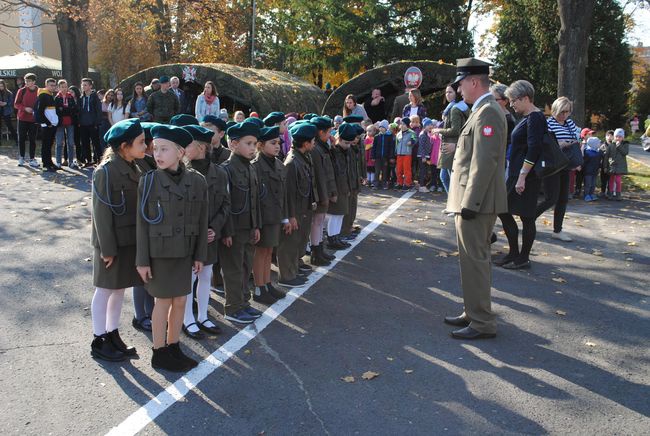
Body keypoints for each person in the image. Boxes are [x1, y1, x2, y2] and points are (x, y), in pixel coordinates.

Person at [136, 124, 208, 372]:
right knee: (163, 302)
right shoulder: (149, 181)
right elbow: (141, 225)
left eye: (164, 149)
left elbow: (201, 220)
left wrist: (200, 254)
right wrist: (142, 261)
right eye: (155, 148)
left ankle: (173, 345)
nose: (158, 154)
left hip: (185, 252)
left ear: (180, 152)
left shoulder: (197, 182)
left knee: (180, 301)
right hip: (161, 253)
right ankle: (159, 352)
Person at [444, 58, 507, 340]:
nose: (458, 90)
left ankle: (482, 322)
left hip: (475, 202)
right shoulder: (481, 110)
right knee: (470, 262)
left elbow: (485, 161)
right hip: (470, 200)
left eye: (460, 84)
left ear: (473, 81)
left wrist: (471, 202)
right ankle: (473, 312)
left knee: (476, 261)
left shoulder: (488, 112)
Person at [91, 118, 147, 362]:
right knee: (104, 291)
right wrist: (107, 249)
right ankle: (98, 339)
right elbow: (101, 215)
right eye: (141, 142)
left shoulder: (134, 166)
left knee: (118, 290)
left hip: (128, 241)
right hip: (111, 244)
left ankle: (113, 334)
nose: (146, 146)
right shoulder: (106, 171)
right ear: (125, 146)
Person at [181, 124, 229, 339]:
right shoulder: (182, 173)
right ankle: (187, 318)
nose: (183, 149)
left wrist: (214, 228)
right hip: (189, 237)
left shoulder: (219, 173)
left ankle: (202, 316)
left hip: (209, 236)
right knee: (189, 278)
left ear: (201, 147)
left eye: (188, 145)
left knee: (206, 275)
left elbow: (225, 204)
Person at [494, 80, 544, 272]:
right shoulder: (527, 117)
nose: (512, 104)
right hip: (518, 174)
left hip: (526, 177)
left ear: (525, 98)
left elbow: (534, 149)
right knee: (506, 211)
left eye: (514, 100)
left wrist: (522, 176)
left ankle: (522, 257)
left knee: (526, 217)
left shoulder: (535, 118)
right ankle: (515, 253)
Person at [219, 121, 263, 324]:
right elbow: (224, 204)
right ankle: (233, 307)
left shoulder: (250, 168)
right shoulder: (226, 170)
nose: (253, 148)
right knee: (233, 269)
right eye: (248, 143)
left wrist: (256, 226)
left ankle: (244, 302)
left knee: (246, 267)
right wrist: (226, 232)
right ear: (233, 144)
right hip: (234, 230)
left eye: (255, 143)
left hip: (247, 228)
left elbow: (254, 201)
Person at [277, 122, 318, 287]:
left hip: (302, 209)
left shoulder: (303, 158)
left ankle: (293, 271)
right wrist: (290, 216)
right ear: (306, 143)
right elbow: (287, 194)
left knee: (295, 243)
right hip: (295, 211)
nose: (314, 144)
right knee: (288, 245)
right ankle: (286, 276)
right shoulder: (292, 163)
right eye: (312, 141)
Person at [251, 126, 290, 301]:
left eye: (278, 143)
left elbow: (283, 194)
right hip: (262, 218)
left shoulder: (278, 164)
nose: (277, 146)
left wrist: (285, 218)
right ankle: (259, 288)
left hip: (274, 216)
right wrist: (256, 224)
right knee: (260, 253)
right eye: (272, 143)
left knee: (268, 252)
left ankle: (266, 284)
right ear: (260, 145)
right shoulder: (255, 166)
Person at [535, 97, 580, 242]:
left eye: (567, 111)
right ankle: (529, 218)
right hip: (552, 165)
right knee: (551, 199)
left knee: (563, 199)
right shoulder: (548, 124)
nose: (564, 115)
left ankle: (557, 230)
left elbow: (578, 137)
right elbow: (546, 144)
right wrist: (561, 144)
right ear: (555, 110)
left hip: (566, 165)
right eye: (562, 111)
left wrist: (573, 143)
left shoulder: (570, 124)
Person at [131, 122, 157, 332]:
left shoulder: (152, 162)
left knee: (150, 274)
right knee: (140, 276)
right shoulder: (140, 165)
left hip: (153, 225)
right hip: (139, 225)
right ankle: (140, 315)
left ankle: (150, 312)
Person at [309, 116, 337, 266]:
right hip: (320, 193)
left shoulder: (322, 146)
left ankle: (319, 249)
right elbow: (319, 175)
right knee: (317, 222)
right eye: (328, 132)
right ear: (321, 132)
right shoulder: (316, 149)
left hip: (324, 191)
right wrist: (324, 195)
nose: (330, 135)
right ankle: (315, 252)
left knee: (319, 222)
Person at [433, 84, 469, 193]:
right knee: (447, 177)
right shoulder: (456, 107)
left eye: (450, 92)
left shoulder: (455, 109)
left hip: (452, 146)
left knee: (449, 178)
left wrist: (439, 130)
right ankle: (452, 204)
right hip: (453, 145)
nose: (447, 95)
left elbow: (455, 130)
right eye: (446, 92)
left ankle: (454, 204)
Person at [326, 123, 354, 251]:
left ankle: (336, 236)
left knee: (341, 214)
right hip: (336, 187)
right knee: (334, 214)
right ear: (340, 139)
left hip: (343, 187)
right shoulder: (333, 152)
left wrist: (348, 187)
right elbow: (332, 174)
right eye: (346, 143)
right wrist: (333, 192)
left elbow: (346, 172)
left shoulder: (345, 152)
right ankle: (331, 238)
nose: (348, 146)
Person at [13, 73, 40, 167]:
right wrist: (25, 108)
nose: (27, 83)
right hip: (22, 118)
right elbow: (16, 104)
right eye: (26, 81)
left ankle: (32, 159)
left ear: (34, 82)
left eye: (29, 81)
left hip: (34, 119)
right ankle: (21, 158)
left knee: (32, 139)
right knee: (21, 139)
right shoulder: (21, 91)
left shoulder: (39, 91)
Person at [54, 79, 78, 169]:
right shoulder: (57, 98)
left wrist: (64, 109)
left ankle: (71, 161)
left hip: (70, 122)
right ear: (59, 88)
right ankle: (58, 162)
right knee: (59, 142)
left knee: (71, 142)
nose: (64, 89)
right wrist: (66, 110)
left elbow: (74, 109)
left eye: (65, 87)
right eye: (62, 87)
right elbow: (57, 111)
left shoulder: (70, 97)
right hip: (60, 123)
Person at [78, 78, 103, 166]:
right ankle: (88, 160)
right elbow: (79, 111)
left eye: (85, 85)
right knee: (85, 142)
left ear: (90, 86)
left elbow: (98, 111)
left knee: (95, 142)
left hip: (93, 123)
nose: (83, 86)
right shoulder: (81, 98)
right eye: (82, 85)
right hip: (83, 123)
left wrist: (97, 123)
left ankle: (98, 159)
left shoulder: (95, 97)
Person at [36, 78, 59, 171]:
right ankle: (45, 164)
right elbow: (40, 111)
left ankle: (49, 162)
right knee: (46, 144)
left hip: (52, 124)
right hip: (47, 125)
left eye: (54, 85)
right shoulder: (43, 95)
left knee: (49, 144)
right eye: (51, 85)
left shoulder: (50, 95)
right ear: (46, 86)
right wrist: (48, 123)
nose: (53, 87)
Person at [371, 120, 395, 189]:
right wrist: (373, 156)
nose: (381, 129)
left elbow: (391, 148)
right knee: (377, 171)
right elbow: (374, 147)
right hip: (378, 157)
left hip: (385, 157)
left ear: (386, 128)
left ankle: (384, 184)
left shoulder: (389, 137)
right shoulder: (377, 137)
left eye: (383, 127)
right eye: (380, 127)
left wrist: (391, 157)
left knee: (385, 171)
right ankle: (376, 184)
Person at [606, 128, 629, 201]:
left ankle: (618, 194)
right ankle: (610, 193)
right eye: (616, 136)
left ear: (623, 137)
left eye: (620, 137)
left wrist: (619, 146)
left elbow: (625, 152)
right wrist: (606, 166)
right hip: (612, 166)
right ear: (614, 137)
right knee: (611, 180)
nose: (618, 138)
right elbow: (607, 156)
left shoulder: (625, 144)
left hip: (620, 166)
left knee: (618, 181)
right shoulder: (611, 145)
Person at [394, 117, 417, 189]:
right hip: (399, 154)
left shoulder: (411, 133)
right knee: (398, 169)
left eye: (403, 124)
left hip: (407, 154)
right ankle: (399, 183)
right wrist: (395, 152)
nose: (402, 125)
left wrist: (412, 142)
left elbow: (415, 139)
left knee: (407, 169)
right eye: (401, 124)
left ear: (407, 125)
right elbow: (396, 144)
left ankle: (407, 184)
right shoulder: (398, 134)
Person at [417, 118, 434, 192]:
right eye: (429, 125)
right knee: (423, 171)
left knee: (425, 171)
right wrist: (423, 156)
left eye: (431, 125)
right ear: (425, 126)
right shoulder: (423, 134)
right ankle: (422, 186)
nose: (431, 126)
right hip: (422, 156)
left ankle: (422, 185)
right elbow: (421, 146)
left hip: (425, 155)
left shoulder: (427, 133)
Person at [582, 136, 603, 201]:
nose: (600, 144)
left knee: (593, 184)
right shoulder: (587, 152)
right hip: (588, 171)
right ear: (594, 144)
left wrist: (599, 167)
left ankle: (591, 194)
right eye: (598, 143)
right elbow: (584, 162)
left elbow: (599, 161)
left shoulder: (598, 152)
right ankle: (586, 195)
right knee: (588, 184)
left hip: (595, 171)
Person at [0, 79, 17, 145]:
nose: (1, 87)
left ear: (4, 86)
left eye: (2, 86)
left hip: (6, 111)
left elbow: (11, 102)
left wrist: (5, 103)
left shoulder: (9, 93)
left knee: (10, 126)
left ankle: (17, 140)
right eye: (0, 86)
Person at [599, 130, 614, 196]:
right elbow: (599, 157)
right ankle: (602, 191)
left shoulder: (614, 146)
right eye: (608, 136)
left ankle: (609, 191)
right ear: (605, 137)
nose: (609, 137)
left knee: (610, 180)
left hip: (611, 166)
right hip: (603, 166)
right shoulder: (602, 146)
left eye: (611, 136)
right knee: (603, 180)